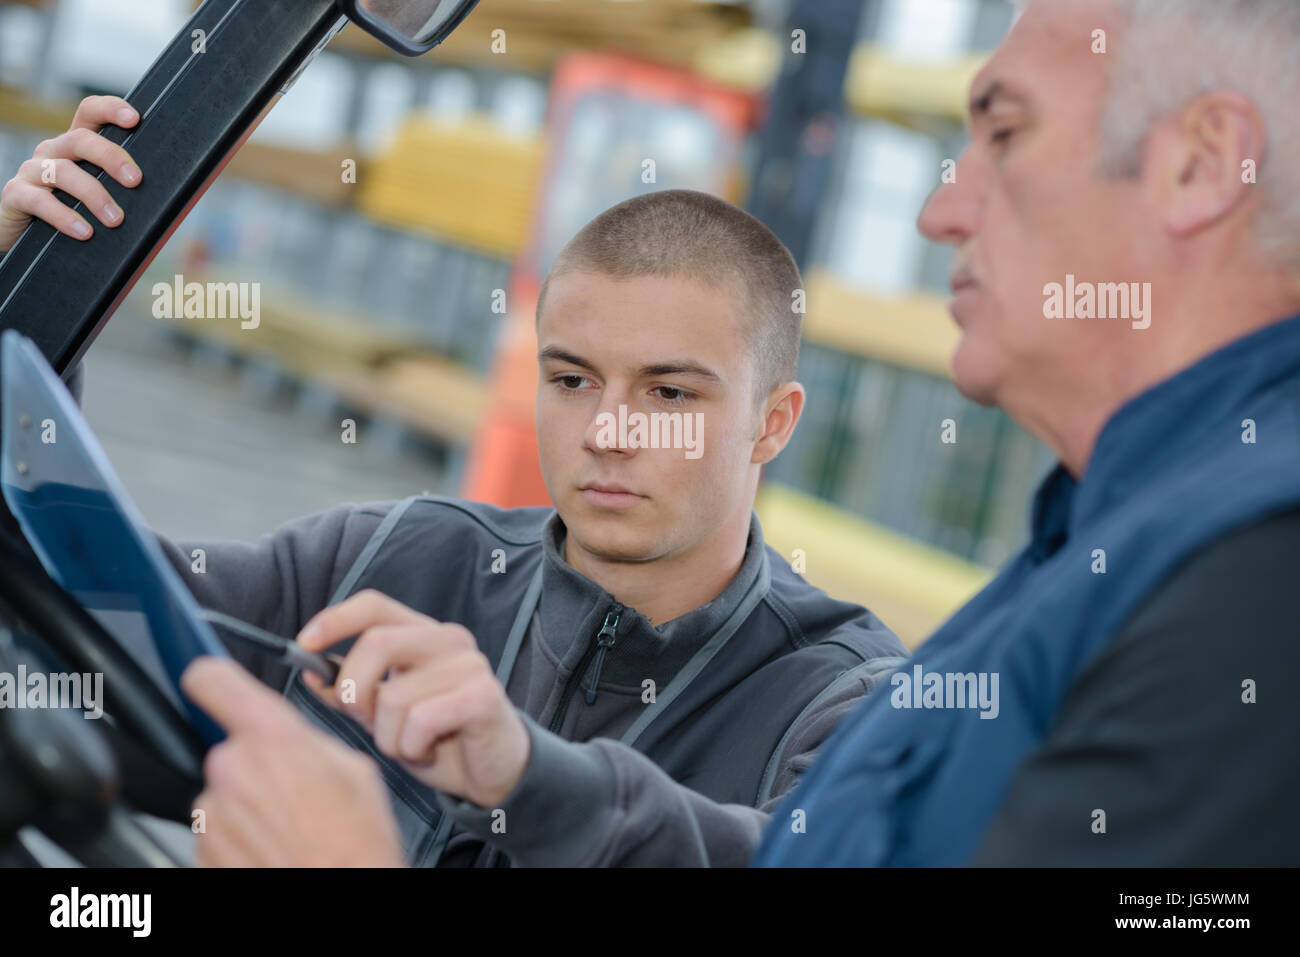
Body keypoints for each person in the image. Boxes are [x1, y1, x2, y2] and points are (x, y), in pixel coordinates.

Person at [0, 111, 906, 866]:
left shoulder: (843, 701)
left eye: (669, 392)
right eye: (571, 379)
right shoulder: (387, 560)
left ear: (773, 421)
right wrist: (31, 303)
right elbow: (67, 606)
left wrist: (526, 775)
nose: (607, 431)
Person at [754, 0, 1300, 867]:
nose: (942, 211)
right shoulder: (1114, 527)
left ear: (1201, 165)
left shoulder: (1256, 574)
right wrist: (570, 794)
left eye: (1005, 134)